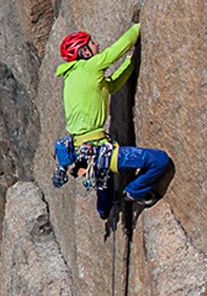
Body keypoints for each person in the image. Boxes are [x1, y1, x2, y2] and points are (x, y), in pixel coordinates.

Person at [51, 24, 171, 219]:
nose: (96, 44)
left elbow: (112, 85)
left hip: (86, 150)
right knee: (159, 160)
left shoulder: (74, 76)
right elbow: (120, 47)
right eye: (92, 43)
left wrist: (131, 63)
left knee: (103, 182)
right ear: (84, 51)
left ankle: (104, 209)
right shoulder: (90, 67)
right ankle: (135, 191)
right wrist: (140, 25)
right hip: (98, 150)